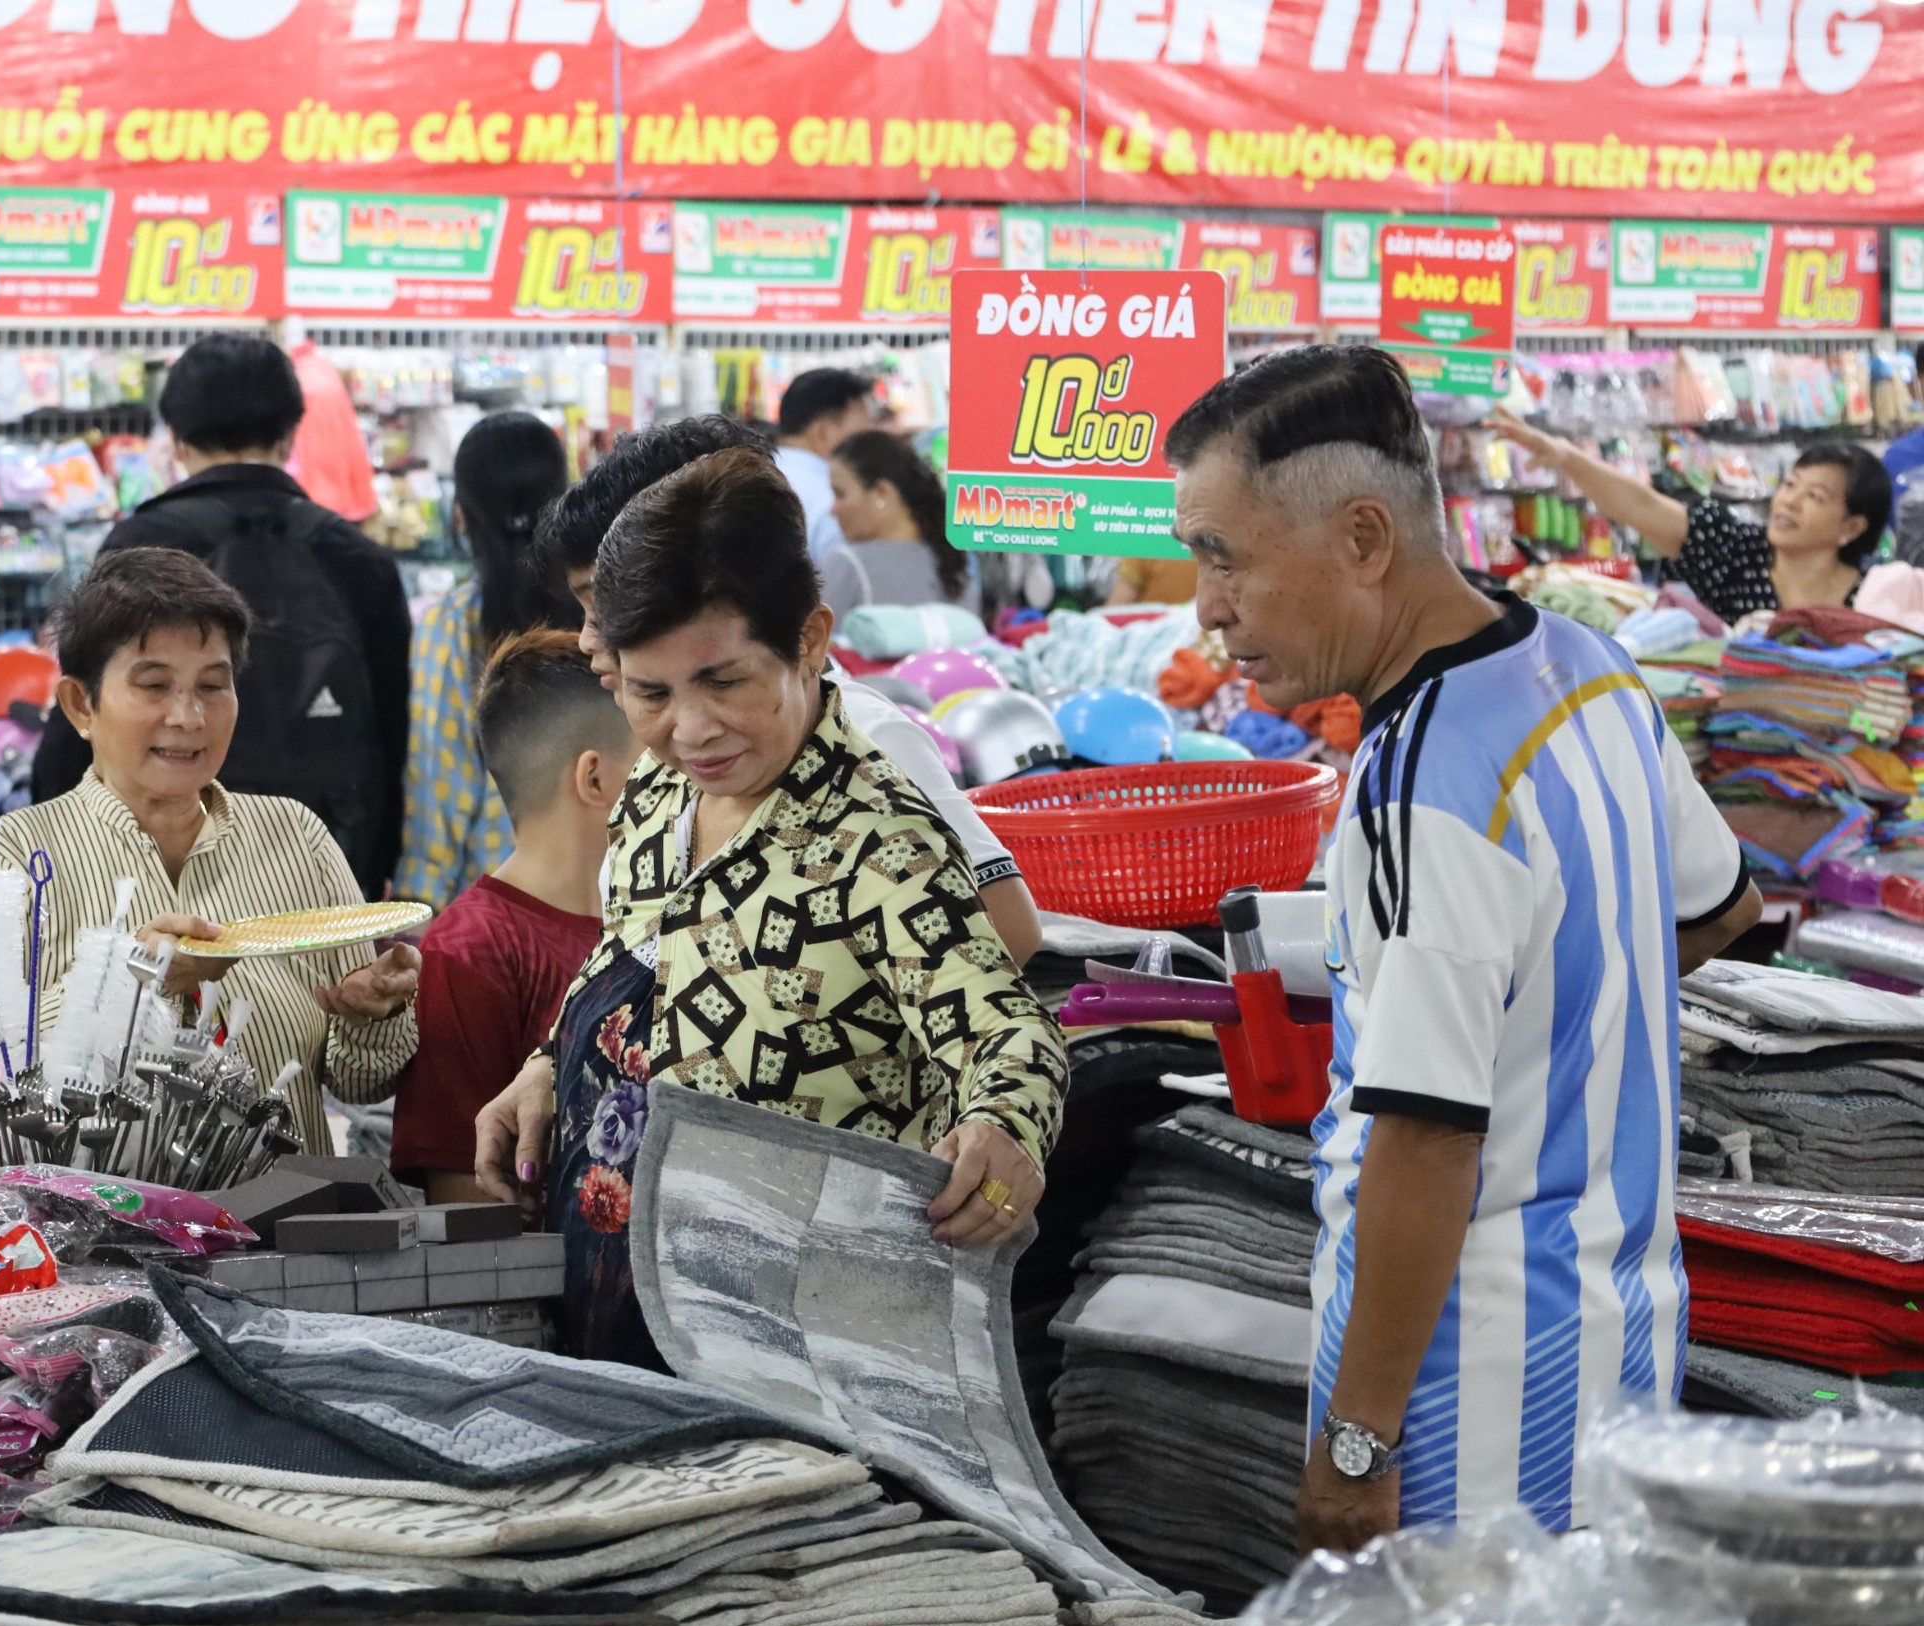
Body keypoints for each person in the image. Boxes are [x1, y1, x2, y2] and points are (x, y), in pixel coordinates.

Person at [1167, 348, 1761, 1555]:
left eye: (1223, 555)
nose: (1207, 606)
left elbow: (1427, 1137)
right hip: (1622, 1341)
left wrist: (1353, 1444)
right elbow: (1716, 909)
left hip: (1465, 1398)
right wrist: (1555, 1028)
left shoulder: (1419, 786)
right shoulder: (1587, 668)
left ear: (1363, 537)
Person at [473, 449, 1069, 1366]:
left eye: (725, 681)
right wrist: (549, 1065)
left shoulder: (874, 838)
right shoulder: (654, 797)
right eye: (652, 693)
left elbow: (1008, 1033)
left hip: (803, 1337)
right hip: (626, 1305)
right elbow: (630, 965)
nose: (692, 728)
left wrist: (1003, 1128)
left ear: (810, 640)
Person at [533, 416, 1045, 969]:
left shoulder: (867, 745)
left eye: (602, 604)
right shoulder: (663, 772)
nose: (588, 638)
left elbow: (1005, 932)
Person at [0, 547, 421, 1157]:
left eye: (212, 686)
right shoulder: (13, 859)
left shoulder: (294, 838)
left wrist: (371, 1012)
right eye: (155, 686)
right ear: (81, 706)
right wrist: (130, 982)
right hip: (101, 1240)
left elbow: (360, 1080)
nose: (189, 717)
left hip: (289, 1234)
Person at [30, 334, 411, 899]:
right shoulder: (358, 559)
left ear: (178, 440)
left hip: (164, 868)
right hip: (321, 867)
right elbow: (390, 733)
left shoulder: (141, 544)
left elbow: (83, 719)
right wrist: (370, 870)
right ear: (289, 434)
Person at [392, 630, 631, 1203]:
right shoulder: (469, 952)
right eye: (655, 755)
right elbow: (466, 1211)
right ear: (594, 778)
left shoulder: (650, 919)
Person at [394, 412, 579, 908]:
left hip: (500, 902)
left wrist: (419, 903)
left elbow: (441, 782)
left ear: (460, 514)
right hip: (615, 899)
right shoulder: (605, 611)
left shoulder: (455, 626)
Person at [1489, 409, 1891, 625]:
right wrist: (1564, 456)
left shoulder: (1879, 596)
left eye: (1815, 497)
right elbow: (1641, 507)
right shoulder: (1734, 550)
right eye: (1790, 485)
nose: (1789, 501)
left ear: (1852, 527)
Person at [819, 429, 970, 615]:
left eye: (840, 494)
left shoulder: (847, 563)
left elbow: (817, 642)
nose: (833, 510)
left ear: (882, 493)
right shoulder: (956, 564)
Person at [773, 368, 880, 562]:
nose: (872, 443)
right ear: (822, 433)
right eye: (863, 433)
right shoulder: (834, 502)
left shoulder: (753, 473)